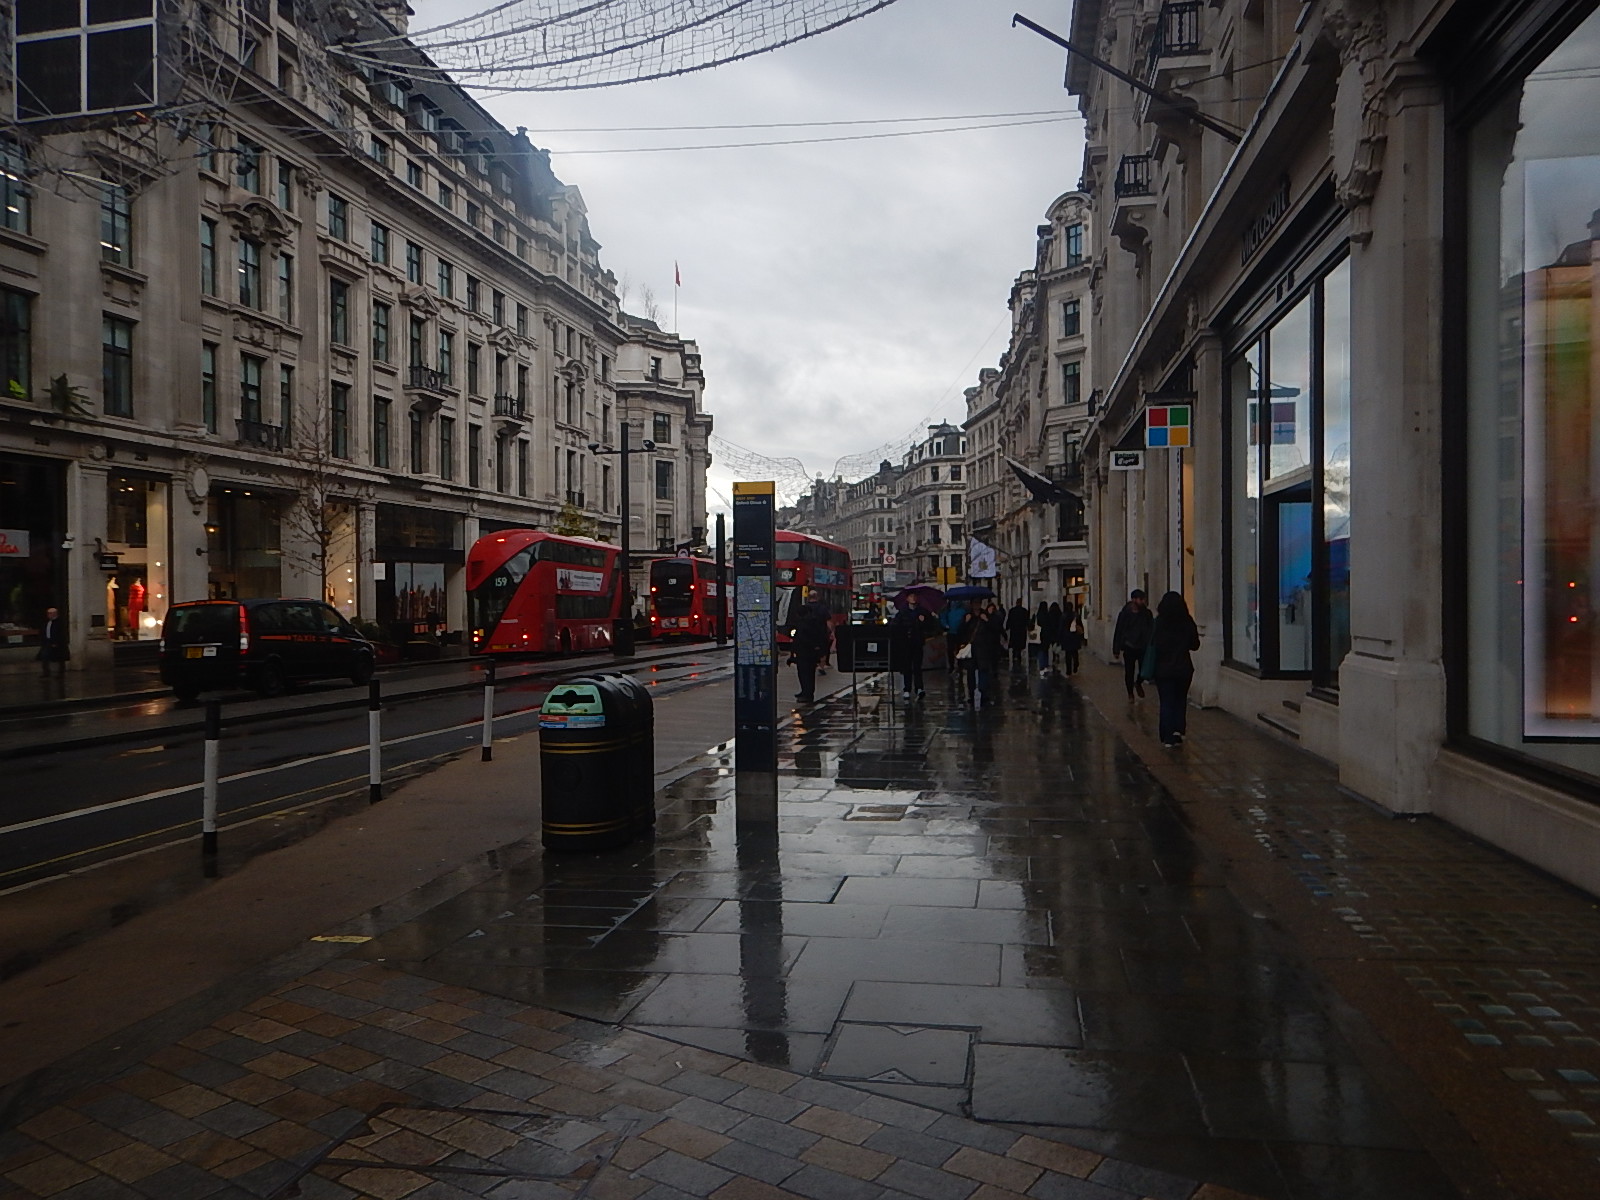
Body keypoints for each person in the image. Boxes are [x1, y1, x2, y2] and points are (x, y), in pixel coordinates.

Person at [1150, 591, 1201, 747]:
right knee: (1180, 700)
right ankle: (1178, 730)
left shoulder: (1159, 622)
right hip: (1183, 668)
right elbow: (1195, 645)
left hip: (1164, 668)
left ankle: (1167, 735)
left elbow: (1153, 644)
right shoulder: (1187, 621)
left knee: (1166, 701)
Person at [1111, 589, 1154, 698]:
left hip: (1142, 646)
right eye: (1141, 599)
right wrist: (1116, 649)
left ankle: (1138, 682)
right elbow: (1119, 630)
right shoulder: (1125, 613)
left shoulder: (1147, 613)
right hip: (1129, 645)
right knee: (1129, 671)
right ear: (1134, 599)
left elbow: (1151, 628)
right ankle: (1130, 693)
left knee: (1144, 670)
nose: (1143, 601)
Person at [788, 598, 832, 703]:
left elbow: (799, 638)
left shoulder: (804, 623)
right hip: (809, 652)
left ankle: (807, 694)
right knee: (808, 674)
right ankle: (806, 692)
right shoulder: (814, 621)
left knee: (805, 674)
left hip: (805, 652)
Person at [889, 604, 933, 699]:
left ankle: (919, 688)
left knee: (917, 666)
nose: (913, 598)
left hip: (917, 642)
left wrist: (923, 621)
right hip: (905, 643)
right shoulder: (902, 612)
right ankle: (907, 688)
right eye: (911, 596)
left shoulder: (922, 611)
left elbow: (931, 626)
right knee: (907, 666)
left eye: (914, 596)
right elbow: (895, 625)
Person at [967, 600, 1006, 705]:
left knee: (983, 670)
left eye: (978, 603)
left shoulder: (985, 615)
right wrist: (965, 622)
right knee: (970, 672)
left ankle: (984, 693)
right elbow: (961, 632)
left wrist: (987, 620)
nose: (976, 605)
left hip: (983, 648)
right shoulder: (967, 616)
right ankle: (971, 693)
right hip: (970, 649)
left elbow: (995, 629)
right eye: (974, 603)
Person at [37, 606, 68, 678]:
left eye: (51, 613)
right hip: (47, 642)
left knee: (60, 659)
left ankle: (61, 673)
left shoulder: (59, 622)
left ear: (55, 614)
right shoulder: (46, 622)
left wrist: (56, 642)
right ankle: (46, 672)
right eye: (48, 613)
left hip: (57, 643)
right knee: (44, 657)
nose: (49, 615)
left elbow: (61, 633)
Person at [1005, 598, 1032, 668]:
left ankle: (1015, 655)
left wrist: (1007, 627)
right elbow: (1027, 621)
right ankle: (1018, 655)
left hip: (1014, 630)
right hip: (1021, 630)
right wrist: (1029, 628)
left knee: (1015, 643)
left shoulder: (1012, 611)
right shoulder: (1024, 611)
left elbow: (1009, 620)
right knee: (1020, 644)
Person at [1061, 602, 1084, 676]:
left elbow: (1061, 628)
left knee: (1068, 654)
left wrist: (1059, 638)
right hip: (1075, 636)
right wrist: (1082, 636)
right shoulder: (1076, 615)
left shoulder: (1063, 616)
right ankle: (1076, 664)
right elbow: (1080, 625)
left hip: (1066, 637)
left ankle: (1068, 670)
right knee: (1075, 652)